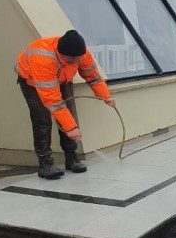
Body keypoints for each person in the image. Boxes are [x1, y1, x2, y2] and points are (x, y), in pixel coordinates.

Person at [16, 29, 116, 180]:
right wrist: (70, 128)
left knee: (70, 115)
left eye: (78, 58)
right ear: (60, 53)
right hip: (33, 83)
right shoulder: (42, 58)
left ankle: (71, 157)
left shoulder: (80, 53)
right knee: (42, 120)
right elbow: (52, 100)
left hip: (62, 80)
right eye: (71, 60)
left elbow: (93, 76)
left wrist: (105, 96)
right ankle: (45, 163)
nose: (76, 62)